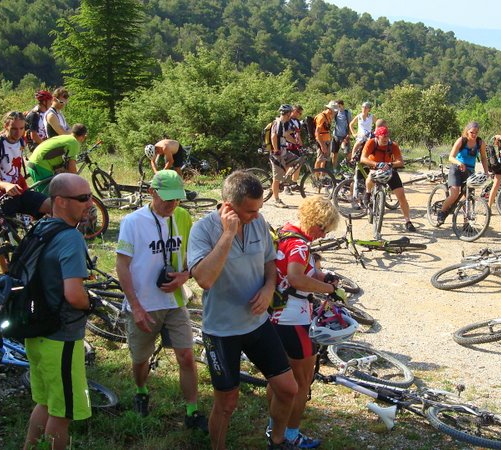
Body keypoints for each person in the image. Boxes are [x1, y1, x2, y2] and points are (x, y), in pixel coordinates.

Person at [188, 171, 297, 450]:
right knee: (227, 403)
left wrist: (268, 288)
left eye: (258, 209)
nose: (255, 215)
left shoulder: (259, 222)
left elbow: (270, 264)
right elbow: (204, 279)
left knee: (288, 389)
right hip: (222, 331)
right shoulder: (202, 230)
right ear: (227, 206)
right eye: (249, 211)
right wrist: (227, 234)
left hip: (257, 324)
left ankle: (277, 440)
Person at [115, 170, 208, 432]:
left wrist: (185, 276)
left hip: (174, 302)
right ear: (151, 192)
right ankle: (141, 390)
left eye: (177, 199)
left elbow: (194, 255)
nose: (172, 205)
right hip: (144, 304)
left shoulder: (182, 217)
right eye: (167, 199)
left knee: (186, 356)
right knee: (140, 359)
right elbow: (122, 266)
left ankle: (192, 411)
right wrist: (135, 306)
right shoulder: (133, 222)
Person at [23, 173, 94, 450]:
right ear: (61, 202)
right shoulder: (70, 238)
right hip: (61, 336)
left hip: (36, 332)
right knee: (62, 412)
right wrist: (92, 304)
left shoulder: (41, 228)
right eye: (83, 198)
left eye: (90, 196)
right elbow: (75, 295)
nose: (90, 204)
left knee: (46, 401)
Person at [269, 196, 341, 448]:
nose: (323, 235)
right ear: (314, 221)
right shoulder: (301, 246)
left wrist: (324, 275)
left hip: (274, 315)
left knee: (278, 378)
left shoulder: (286, 231)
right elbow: (296, 278)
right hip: (293, 318)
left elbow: (298, 269)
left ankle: (273, 427)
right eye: (323, 228)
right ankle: (290, 435)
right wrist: (327, 289)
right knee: (301, 382)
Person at [0, 111, 51, 220]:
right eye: (14, 128)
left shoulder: (21, 142)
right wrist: (6, 185)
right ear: (6, 126)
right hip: (2, 195)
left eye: (21, 128)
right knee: (10, 232)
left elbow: (16, 169)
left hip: (19, 190)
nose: (18, 133)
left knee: (51, 205)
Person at [359, 126, 416, 233]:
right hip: (375, 168)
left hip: (390, 170)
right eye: (383, 137)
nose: (385, 139)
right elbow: (363, 158)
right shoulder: (371, 143)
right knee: (370, 177)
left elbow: (400, 162)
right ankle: (367, 194)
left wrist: (390, 164)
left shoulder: (393, 145)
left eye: (387, 136)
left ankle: (408, 221)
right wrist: (376, 164)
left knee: (401, 196)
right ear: (377, 136)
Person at [435, 122, 490, 226]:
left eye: (476, 133)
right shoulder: (461, 140)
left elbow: (483, 158)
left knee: (468, 196)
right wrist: (459, 162)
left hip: (469, 171)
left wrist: (486, 172)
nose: (474, 135)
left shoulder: (480, 143)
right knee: (455, 193)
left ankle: (467, 221)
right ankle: (442, 212)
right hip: (457, 168)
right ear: (467, 131)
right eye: (471, 132)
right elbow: (451, 157)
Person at [27, 124, 88, 194]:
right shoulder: (74, 142)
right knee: (47, 198)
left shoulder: (65, 137)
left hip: (34, 161)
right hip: (40, 165)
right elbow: (72, 169)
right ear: (83, 136)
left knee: (47, 194)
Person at [270, 105, 295, 207]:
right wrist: (276, 150)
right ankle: (276, 200)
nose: (291, 115)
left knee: (296, 160)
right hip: (277, 154)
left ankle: (285, 177)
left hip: (284, 152)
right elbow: (273, 136)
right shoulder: (278, 123)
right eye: (290, 113)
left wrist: (297, 144)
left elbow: (286, 136)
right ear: (287, 113)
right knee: (276, 179)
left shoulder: (284, 124)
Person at [313, 103, 336, 174]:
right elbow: (317, 132)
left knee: (324, 159)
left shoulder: (328, 117)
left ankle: (322, 177)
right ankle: (316, 178)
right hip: (322, 141)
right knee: (319, 159)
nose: (335, 113)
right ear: (330, 110)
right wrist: (322, 145)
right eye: (334, 111)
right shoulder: (321, 117)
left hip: (327, 140)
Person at [330, 100, 351, 168]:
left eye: (339, 106)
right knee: (334, 154)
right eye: (337, 106)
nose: (338, 107)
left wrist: (348, 135)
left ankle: (347, 169)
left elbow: (350, 124)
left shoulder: (347, 113)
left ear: (342, 105)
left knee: (347, 153)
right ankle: (334, 170)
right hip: (336, 136)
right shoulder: (335, 113)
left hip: (344, 136)